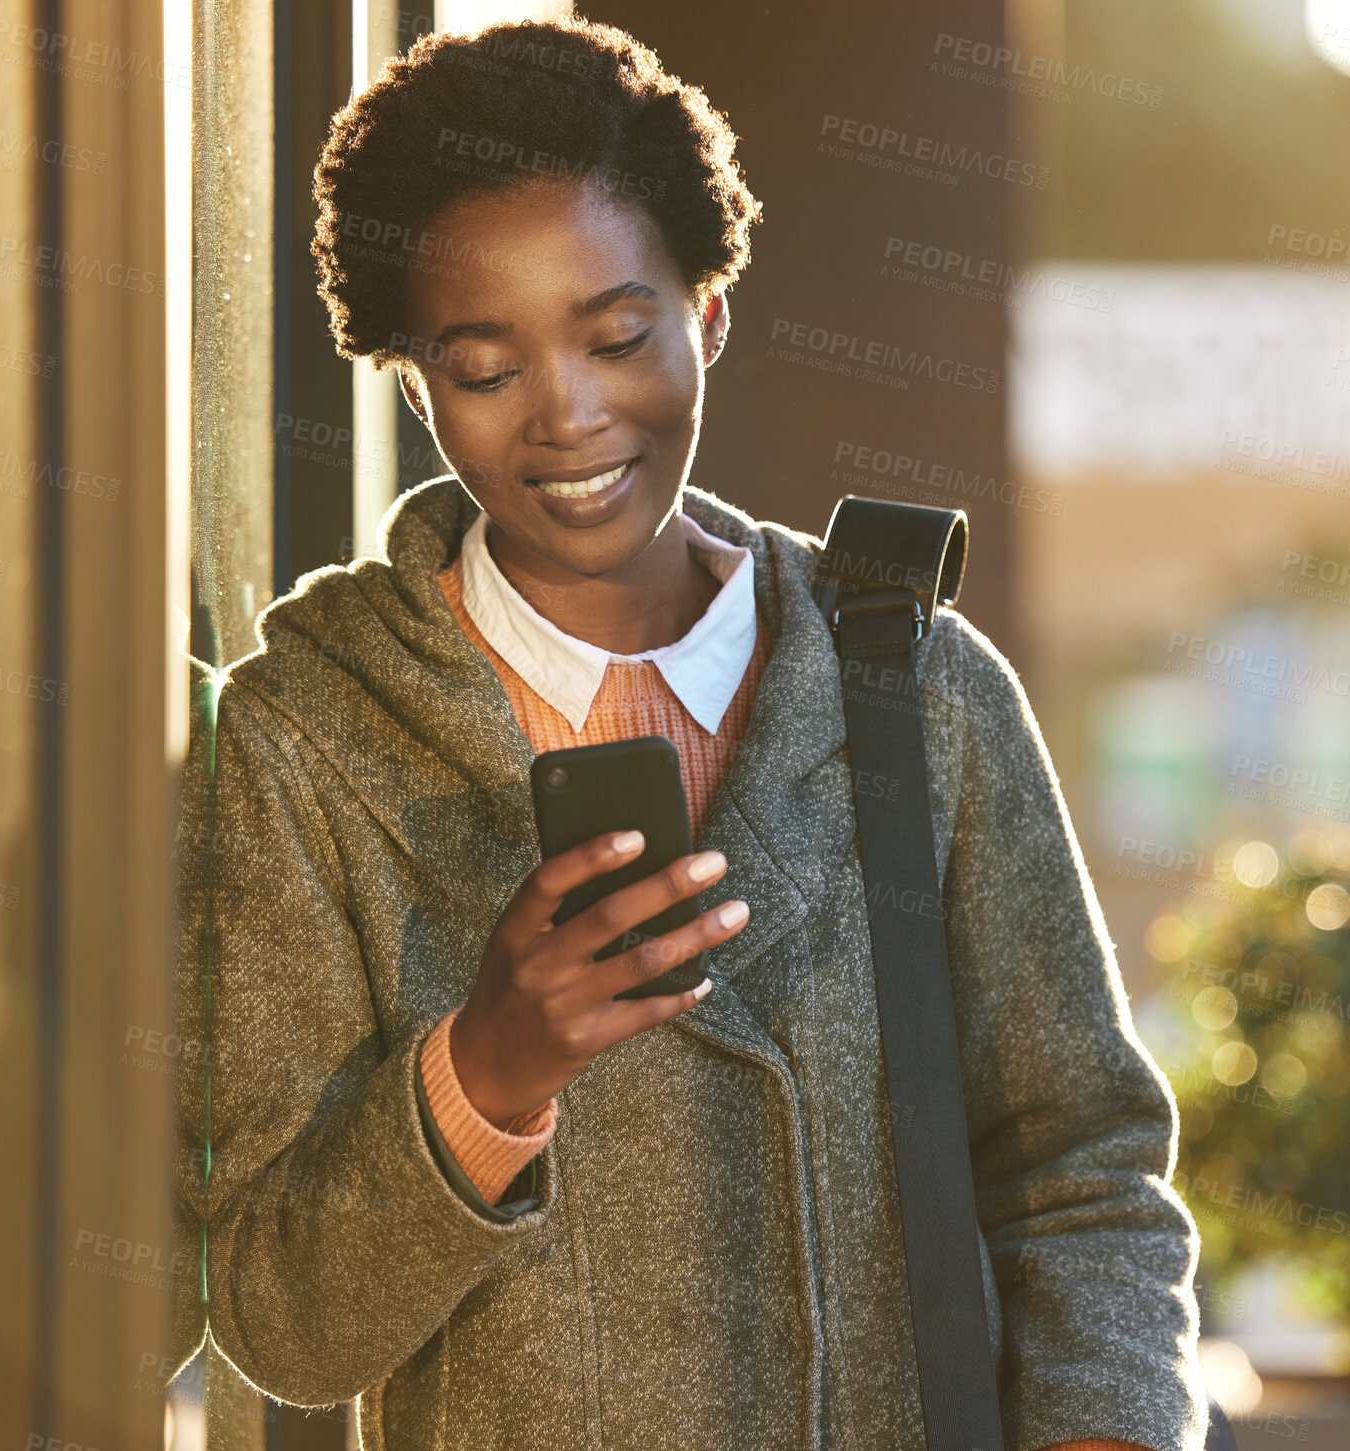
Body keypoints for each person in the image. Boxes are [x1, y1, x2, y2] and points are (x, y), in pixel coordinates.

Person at [175, 14, 1209, 1450]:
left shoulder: (916, 689)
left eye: (617, 334)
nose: (571, 417)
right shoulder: (308, 740)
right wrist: (487, 1072)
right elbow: (281, 1325)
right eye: (484, 371)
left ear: (707, 312)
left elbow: (1081, 1178)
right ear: (412, 383)